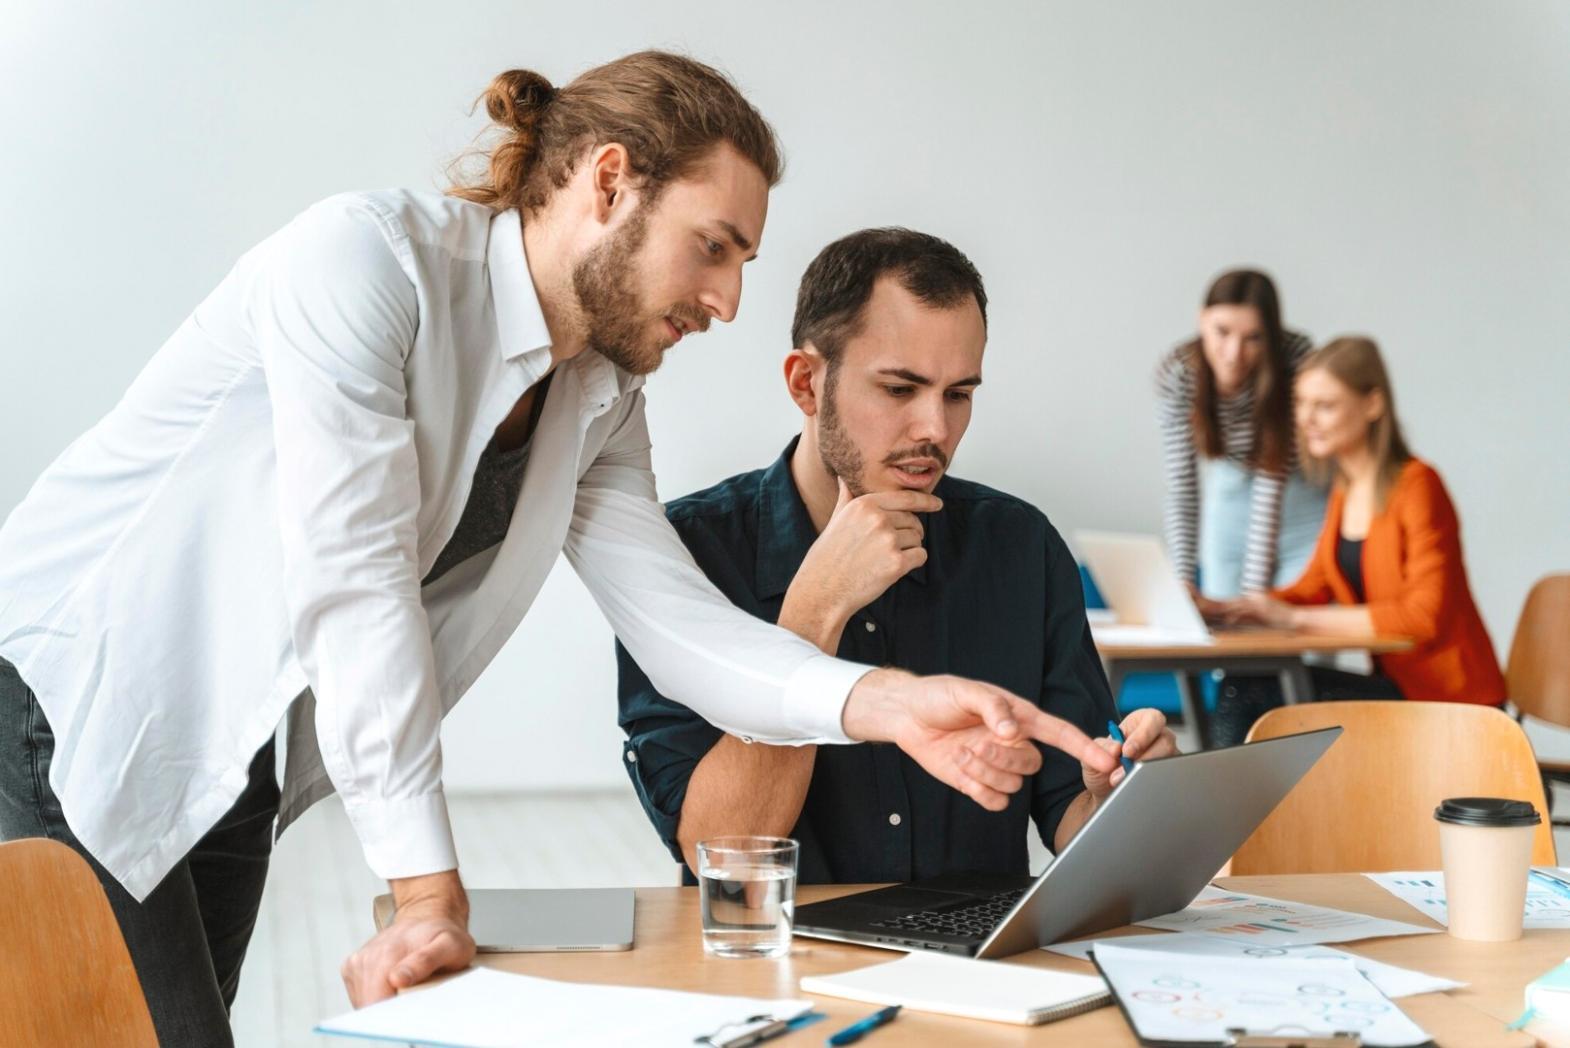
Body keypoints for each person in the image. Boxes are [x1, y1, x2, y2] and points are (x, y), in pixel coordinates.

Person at [0, 54, 1113, 1043]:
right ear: (610, 182)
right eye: (711, 249)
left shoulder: (598, 399)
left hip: (232, 764)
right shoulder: (363, 266)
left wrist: (886, 701)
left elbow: (683, 630)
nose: (728, 299)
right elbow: (353, 588)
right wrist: (432, 896)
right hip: (66, 710)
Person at [617, 228, 1176, 884]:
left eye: (959, 393)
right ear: (806, 384)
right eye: (899, 389)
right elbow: (722, 854)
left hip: (982, 974)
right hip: (782, 966)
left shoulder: (1020, 548)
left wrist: (1121, 800)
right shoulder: (688, 555)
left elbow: (1067, 813)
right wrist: (813, 614)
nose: (935, 429)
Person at [1209, 336, 1506, 744]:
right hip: (1402, 690)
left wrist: (1293, 620)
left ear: (1372, 405)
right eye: (1301, 403)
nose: (1306, 418)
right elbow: (1315, 587)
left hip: (1452, 701)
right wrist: (1231, 609)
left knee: (1252, 689)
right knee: (1247, 682)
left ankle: (1230, 809)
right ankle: (1240, 807)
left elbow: (1423, 617)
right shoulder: (1346, 489)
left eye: (1325, 405)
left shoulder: (1418, 485)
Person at [1156, 269, 1327, 599]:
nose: (1234, 353)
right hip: (1231, 497)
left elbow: (1272, 475)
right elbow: (1181, 485)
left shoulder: (1296, 358)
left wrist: (1254, 595)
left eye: (1254, 338)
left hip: (1299, 497)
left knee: (1300, 633)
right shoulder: (1178, 373)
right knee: (1226, 634)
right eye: (1221, 332)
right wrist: (1183, 579)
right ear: (1201, 320)